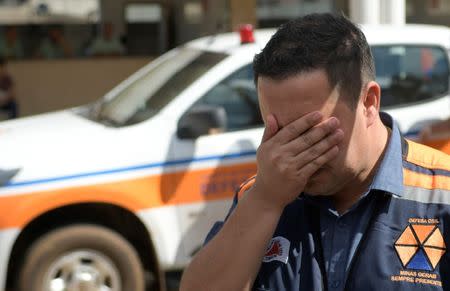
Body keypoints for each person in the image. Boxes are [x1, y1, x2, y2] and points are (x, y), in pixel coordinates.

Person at [180, 13, 450, 291]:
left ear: (369, 103)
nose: (293, 151)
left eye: (311, 130)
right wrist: (265, 199)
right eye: (279, 131)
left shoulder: (442, 193)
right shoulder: (262, 195)